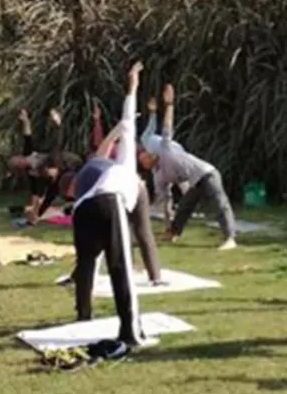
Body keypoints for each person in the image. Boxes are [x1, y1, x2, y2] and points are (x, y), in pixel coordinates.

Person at [68, 62, 151, 348]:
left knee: (87, 263)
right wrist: (132, 89)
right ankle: (131, 332)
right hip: (107, 203)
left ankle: (83, 316)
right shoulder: (127, 169)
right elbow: (129, 125)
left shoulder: (101, 167)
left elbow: (125, 127)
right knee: (121, 268)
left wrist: (132, 88)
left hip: (83, 209)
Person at [73, 100, 165, 286]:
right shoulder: (94, 166)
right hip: (127, 186)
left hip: (129, 190)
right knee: (118, 232)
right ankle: (154, 277)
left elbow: (87, 231)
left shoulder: (84, 184)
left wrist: (122, 126)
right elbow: (107, 142)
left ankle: (152, 276)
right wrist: (120, 127)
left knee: (138, 231)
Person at [137, 84, 238, 250]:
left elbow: (167, 128)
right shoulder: (158, 177)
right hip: (195, 182)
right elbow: (165, 201)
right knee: (184, 206)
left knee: (220, 203)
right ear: (146, 166)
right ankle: (173, 233)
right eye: (143, 159)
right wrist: (163, 221)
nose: (147, 155)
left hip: (207, 173)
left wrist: (169, 105)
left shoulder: (166, 150)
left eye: (146, 154)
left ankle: (230, 238)